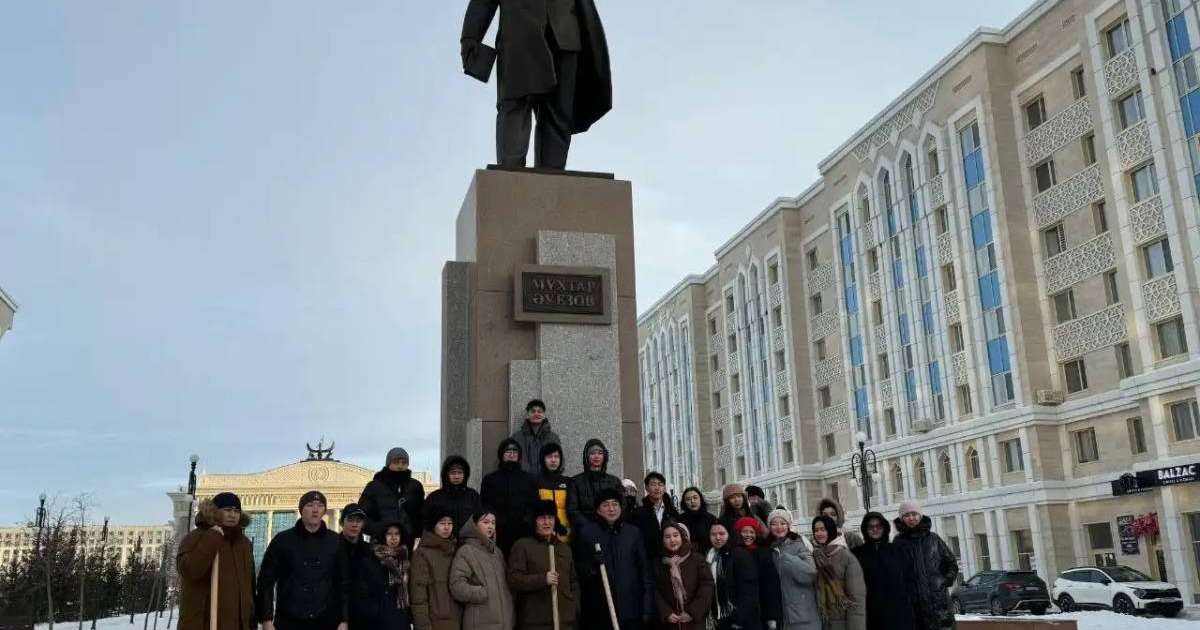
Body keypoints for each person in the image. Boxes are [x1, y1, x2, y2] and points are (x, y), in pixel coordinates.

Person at [459, 0, 612, 170]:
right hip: (519, 33)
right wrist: (470, 36)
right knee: (516, 105)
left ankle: (551, 182)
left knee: (558, 116)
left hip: (566, 36)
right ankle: (510, 180)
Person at [257, 491, 348, 630]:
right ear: (301, 509)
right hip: (290, 620)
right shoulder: (282, 540)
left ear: (324, 510)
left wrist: (344, 619)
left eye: (320, 505)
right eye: (310, 505)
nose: (315, 510)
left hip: (327, 621)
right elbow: (266, 581)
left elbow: (344, 583)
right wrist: (266, 619)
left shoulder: (336, 541)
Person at [575, 488, 654, 630]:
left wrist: (647, 607)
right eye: (606, 505)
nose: (611, 509)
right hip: (600, 612)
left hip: (631, 610)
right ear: (598, 510)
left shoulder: (633, 533)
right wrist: (592, 566)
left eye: (615, 504)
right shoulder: (587, 533)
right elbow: (578, 571)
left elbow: (644, 572)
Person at [177, 493, 256, 630]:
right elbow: (189, 570)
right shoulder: (196, 537)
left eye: (236, 511)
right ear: (214, 511)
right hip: (204, 624)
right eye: (227, 510)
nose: (232, 515)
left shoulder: (244, 544)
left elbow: (250, 585)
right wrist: (212, 538)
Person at [507, 500, 579, 630]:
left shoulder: (564, 548)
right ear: (534, 521)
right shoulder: (523, 546)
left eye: (550, 517)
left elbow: (573, 582)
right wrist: (542, 579)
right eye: (542, 518)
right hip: (536, 622)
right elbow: (514, 579)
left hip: (565, 621)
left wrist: (573, 607)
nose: (547, 522)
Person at [891, 502, 958, 630]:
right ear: (902, 519)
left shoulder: (934, 539)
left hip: (938, 608)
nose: (911, 518)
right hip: (913, 611)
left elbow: (951, 564)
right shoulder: (898, 543)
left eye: (914, 514)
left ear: (920, 516)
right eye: (907, 515)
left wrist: (944, 582)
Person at [449, 511, 514, 630]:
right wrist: (481, 593)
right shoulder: (466, 551)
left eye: (493, 523)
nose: (490, 526)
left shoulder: (497, 552)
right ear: (474, 525)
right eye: (486, 522)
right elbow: (456, 586)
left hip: (505, 624)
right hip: (479, 623)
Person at [851, 513, 914, 630]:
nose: (875, 529)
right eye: (870, 527)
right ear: (865, 529)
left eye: (878, 526)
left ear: (885, 527)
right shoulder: (857, 554)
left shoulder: (897, 551)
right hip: (870, 615)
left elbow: (909, 580)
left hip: (898, 616)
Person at [480, 438, 539, 558]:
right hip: (498, 533)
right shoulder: (489, 479)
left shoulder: (529, 479)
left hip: (523, 533)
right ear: (501, 454)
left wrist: (527, 522)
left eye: (515, 451)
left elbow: (534, 504)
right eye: (508, 451)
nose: (512, 454)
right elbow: (484, 506)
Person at [809, 516, 865, 630]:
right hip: (822, 622)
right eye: (816, 530)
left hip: (842, 623)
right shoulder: (814, 556)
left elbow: (856, 598)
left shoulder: (846, 557)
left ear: (831, 530)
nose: (819, 533)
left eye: (823, 529)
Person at [359, 448, 426, 544]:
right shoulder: (374, 487)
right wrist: (379, 530)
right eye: (396, 462)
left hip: (406, 544)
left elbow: (421, 514)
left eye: (404, 462)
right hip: (380, 543)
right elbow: (362, 515)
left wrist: (412, 531)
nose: (400, 466)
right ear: (388, 463)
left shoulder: (415, 486)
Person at [654, 522, 713, 630]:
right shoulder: (659, 563)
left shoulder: (696, 559)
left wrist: (692, 612)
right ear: (662, 540)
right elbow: (655, 590)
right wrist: (666, 612)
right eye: (667, 537)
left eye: (676, 535)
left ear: (682, 537)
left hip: (694, 623)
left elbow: (707, 586)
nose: (672, 540)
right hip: (670, 623)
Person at [766, 509, 819, 630]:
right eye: (774, 523)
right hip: (781, 617)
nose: (779, 527)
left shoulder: (799, 544)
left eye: (783, 523)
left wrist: (788, 558)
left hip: (803, 616)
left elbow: (810, 574)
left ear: (789, 525)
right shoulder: (769, 549)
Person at [410, 508, 460, 630]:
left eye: (450, 523)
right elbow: (418, 597)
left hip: (458, 621)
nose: (446, 527)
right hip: (435, 622)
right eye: (442, 523)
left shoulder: (456, 550)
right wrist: (424, 626)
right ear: (433, 525)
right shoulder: (422, 554)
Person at [706, 522, 760, 630]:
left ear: (729, 534)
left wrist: (738, 619)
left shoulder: (739, 554)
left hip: (740, 619)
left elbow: (749, 589)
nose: (717, 537)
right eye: (713, 534)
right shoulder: (709, 555)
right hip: (720, 617)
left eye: (722, 533)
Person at [566, 438, 623, 532]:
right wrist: (590, 528)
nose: (596, 456)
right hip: (585, 532)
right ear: (586, 456)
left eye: (600, 453)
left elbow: (622, 506)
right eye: (592, 453)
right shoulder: (575, 481)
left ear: (605, 456)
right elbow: (573, 510)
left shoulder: (614, 481)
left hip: (610, 531)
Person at [734, 517, 781, 630]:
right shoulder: (732, 553)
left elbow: (771, 588)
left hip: (761, 612)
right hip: (739, 613)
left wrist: (772, 617)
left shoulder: (763, 554)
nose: (748, 535)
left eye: (752, 532)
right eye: (744, 531)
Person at [423, 456, 482, 536]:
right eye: (453, 473)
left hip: (468, 542)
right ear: (446, 475)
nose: (456, 476)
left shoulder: (473, 495)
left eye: (460, 473)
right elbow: (426, 522)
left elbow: (479, 520)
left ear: (465, 475)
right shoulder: (435, 497)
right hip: (443, 543)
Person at [631, 471, 680, 560]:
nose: (657, 488)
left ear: (664, 488)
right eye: (653, 484)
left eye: (660, 484)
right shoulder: (638, 514)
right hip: (647, 559)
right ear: (646, 487)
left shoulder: (673, 512)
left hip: (670, 559)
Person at [511, 399, 562, 475]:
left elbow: (560, 462)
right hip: (523, 482)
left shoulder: (553, 438)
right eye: (533, 411)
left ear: (544, 416)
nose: (536, 414)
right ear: (527, 415)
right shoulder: (516, 437)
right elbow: (512, 460)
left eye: (539, 411)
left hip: (546, 483)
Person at [537, 442, 573, 541]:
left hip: (565, 535)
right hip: (544, 535)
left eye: (556, 456)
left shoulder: (568, 482)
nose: (553, 460)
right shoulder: (535, 481)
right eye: (549, 456)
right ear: (543, 459)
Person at [677, 486, 718, 555]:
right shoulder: (679, 520)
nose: (692, 501)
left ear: (700, 499)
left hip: (707, 557)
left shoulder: (711, 519)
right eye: (688, 499)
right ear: (684, 502)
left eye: (695, 498)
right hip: (686, 558)